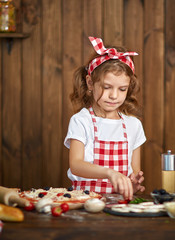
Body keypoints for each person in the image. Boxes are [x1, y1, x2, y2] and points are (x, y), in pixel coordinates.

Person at [64, 36, 146, 200]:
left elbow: (134, 172)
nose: (114, 96)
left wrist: (133, 185)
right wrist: (110, 173)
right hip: (85, 203)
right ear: (90, 83)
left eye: (122, 89)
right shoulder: (81, 121)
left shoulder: (134, 125)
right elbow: (76, 165)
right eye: (107, 87)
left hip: (120, 206)